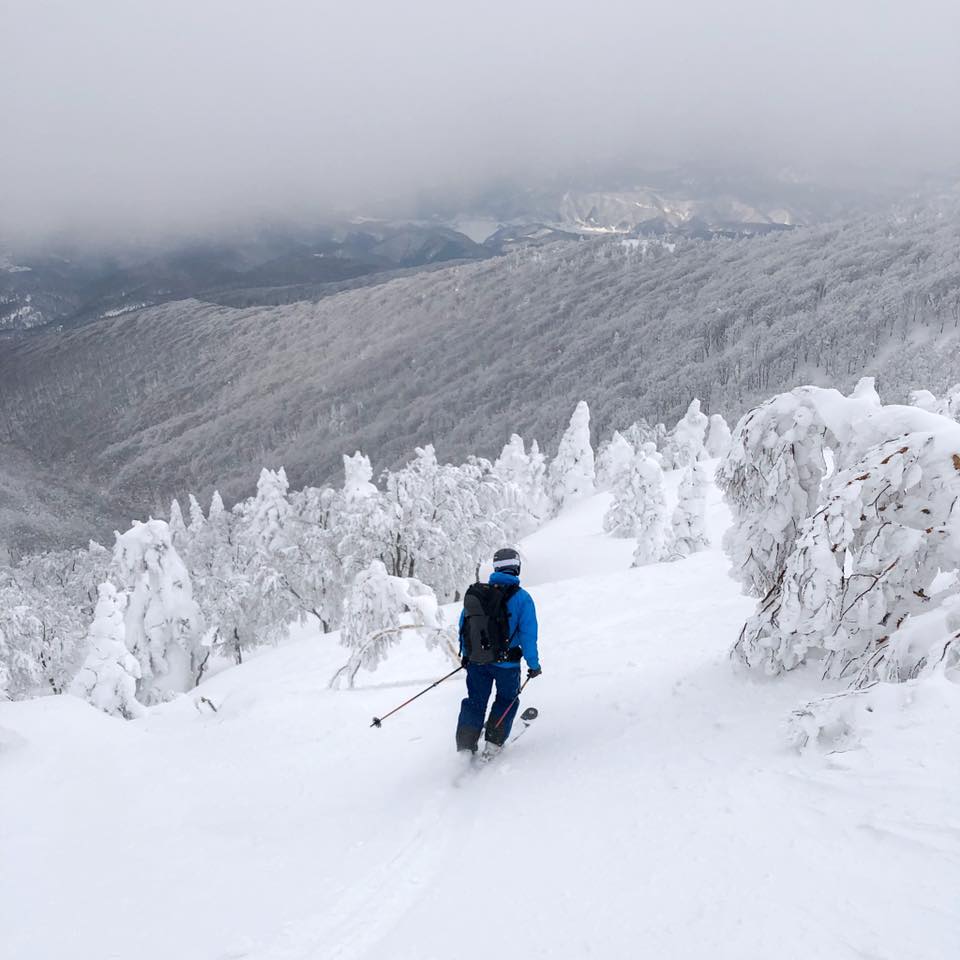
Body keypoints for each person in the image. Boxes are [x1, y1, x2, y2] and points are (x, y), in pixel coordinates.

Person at [456, 547, 541, 754]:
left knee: (475, 702)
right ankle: (493, 744)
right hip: (507, 664)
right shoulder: (522, 598)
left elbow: (463, 626)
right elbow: (529, 636)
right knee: (506, 700)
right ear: (516, 567)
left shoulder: (479, 594)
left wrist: (466, 655)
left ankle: (465, 748)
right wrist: (533, 664)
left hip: (477, 662)